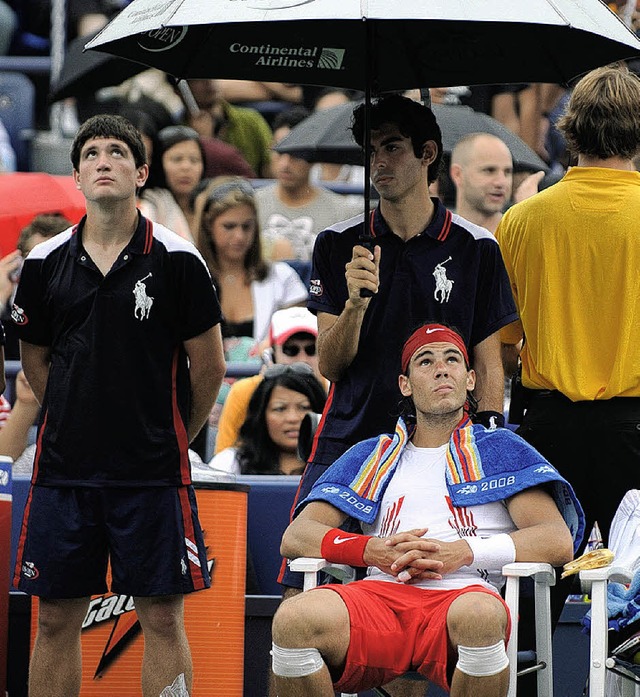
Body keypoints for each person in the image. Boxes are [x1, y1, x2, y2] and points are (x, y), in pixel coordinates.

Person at [10, 113, 226, 697]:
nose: (104, 161)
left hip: (152, 472)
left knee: (161, 617)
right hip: (65, 470)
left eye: (117, 153)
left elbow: (208, 367)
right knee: (55, 618)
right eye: (92, 154)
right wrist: (71, 415)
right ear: (78, 175)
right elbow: (36, 361)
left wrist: (177, 435)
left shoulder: (180, 259)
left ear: (141, 173)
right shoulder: (43, 262)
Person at [280, 94, 519, 599]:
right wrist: (354, 306)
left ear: (428, 153)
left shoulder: (477, 246)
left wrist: (490, 433)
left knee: (423, 586)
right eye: (371, 151)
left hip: (439, 444)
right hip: (352, 431)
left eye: (392, 147)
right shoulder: (336, 242)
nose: (379, 163)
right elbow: (330, 363)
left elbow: (487, 358)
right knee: (303, 587)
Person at [271, 323, 584, 697]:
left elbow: (555, 539)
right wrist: (370, 550)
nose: (440, 369)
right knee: (292, 621)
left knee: (482, 617)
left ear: (470, 379)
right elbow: (297, 536)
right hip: (379, 595)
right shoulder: (372, 453)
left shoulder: (501, 449)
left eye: (452, 359)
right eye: (425, 361)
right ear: (405, 384)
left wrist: (463, 552)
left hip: (464, 596)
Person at [494, 63, 640, 630]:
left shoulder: (522, 220)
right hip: (632, 426)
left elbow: (505, 348)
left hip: (548, 426)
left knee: (534, 600)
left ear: (570, 128)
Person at [192, 175, 308, 348]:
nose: (239, 236)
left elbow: (297, 341)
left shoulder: (283, 277)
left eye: (247, 226)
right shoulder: (188, 278)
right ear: (208, 226)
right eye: (229, 226)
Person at [255, 106, 363, 262]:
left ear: (312, 154)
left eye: (295, 154)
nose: (285, 163)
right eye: (279, 151)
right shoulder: (252, 205)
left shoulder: (343, 213)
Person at [214, 306, 325, 455]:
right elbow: (224, 459)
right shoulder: (243, 392)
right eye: (291, 350)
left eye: (311, 349)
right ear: (270, 354)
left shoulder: (335, 391)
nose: (302, 359)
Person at [209, 363, 326, 476]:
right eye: (280, 409)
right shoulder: (230, 464)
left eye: (304, 408)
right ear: (261, 415)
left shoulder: (339, 465)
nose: (293, 418)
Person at [0, 213, 72, 360]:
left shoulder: (86, 307)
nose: (46, 269)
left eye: (55, 258)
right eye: (37, 257)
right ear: (19, 262)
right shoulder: (9, 312)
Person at [449, 133, 544, 234]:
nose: (501, 182)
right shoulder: (436, 237)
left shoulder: (518, 236)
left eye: (507, 172)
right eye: (489, 170)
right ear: (458, 175)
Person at [184, 78, 273, 178]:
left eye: (212, 75)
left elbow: (270, 166)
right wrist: (205, 142)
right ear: (180, 91)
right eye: (198, 79)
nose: (209, 82)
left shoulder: (250, 119)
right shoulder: (182, 130)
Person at [138, 124, 208, 241]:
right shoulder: (151, 204)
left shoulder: (209, 203)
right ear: (159, 164)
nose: (186, 167)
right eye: (177, 159)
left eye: (194, 160)